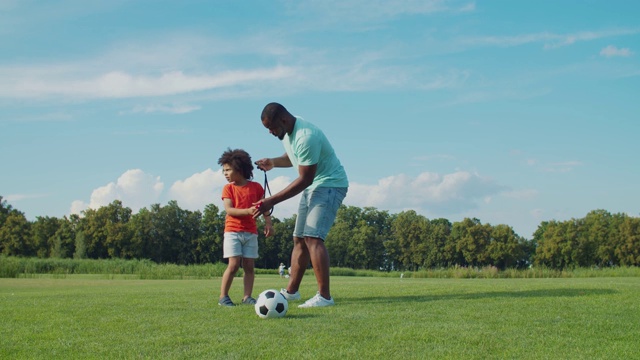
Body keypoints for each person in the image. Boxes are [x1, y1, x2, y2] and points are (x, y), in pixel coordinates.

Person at [253, 102, 348, 308]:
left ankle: (324, 297)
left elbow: (305, 179)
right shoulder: (289, 131)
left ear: (284, 120)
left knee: (313, 237)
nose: (270, 132)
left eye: (271, 128)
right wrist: (274, 162)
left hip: (330, 185)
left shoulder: (306, 136)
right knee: (299, 239)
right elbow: (295, 157)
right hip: (315, 186)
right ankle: (291, 293)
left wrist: (270, 201)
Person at [218, 148, 273, 307]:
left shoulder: (256, 187)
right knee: (234, 265)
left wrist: (268, 223)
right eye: (224, 170)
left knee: (249, 266)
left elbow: (265, 207)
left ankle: (247, 296)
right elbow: (229, 210)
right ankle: (223, 297)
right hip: (232, 232)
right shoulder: (228, 188)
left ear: (240, 169)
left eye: (228, 170)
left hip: (251, 233)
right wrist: (247, 211)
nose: (225, 173)